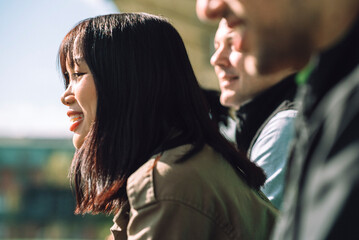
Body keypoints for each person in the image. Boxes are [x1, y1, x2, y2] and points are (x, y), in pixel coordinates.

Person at [58, 13, 278, 239]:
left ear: (129, 82)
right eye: (67, 77)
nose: (66, 96)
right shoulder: (188, 167)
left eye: (78, 74)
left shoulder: (166, 181)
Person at [196, 0, 359, 239]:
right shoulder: (326, 99)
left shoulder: (292, 121)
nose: (207, 9)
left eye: (231, 45)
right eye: (217, 46)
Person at [211, 18, 298, 209]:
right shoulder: (258, 124)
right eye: (216, 46)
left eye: (232, 45)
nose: (216, 59)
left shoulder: (284, 126)